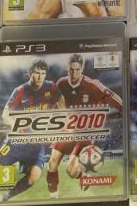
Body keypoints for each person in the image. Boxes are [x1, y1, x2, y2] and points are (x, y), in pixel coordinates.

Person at [45, 55, 123, 197]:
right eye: (71, 70)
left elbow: (113, 97)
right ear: (67, 68)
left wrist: (125, 111)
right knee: (52, 163)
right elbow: (53, 102)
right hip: (67, 129)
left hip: (85, 132)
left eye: (77, 70)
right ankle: (53, 197)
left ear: (82, 69)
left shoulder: (93, 85)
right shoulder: (61, 83)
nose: (74, 73)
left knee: (71, 171)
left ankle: (84, 174)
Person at [0, 60, 61, 201]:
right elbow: (5, 114)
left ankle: (6, 196)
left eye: (43, 73)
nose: (40, 76)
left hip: (36, 146)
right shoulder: (20, 91)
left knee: (34, 175)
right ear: (30, 73)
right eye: (37, 73)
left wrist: (62, 113)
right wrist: (16, 125)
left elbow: (61, 99)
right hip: (16, 142)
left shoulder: (51, 87)